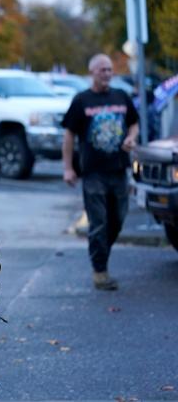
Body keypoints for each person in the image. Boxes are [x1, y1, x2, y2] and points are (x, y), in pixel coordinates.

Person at [62, 54, 139, 290]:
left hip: (119, 170)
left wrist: (131, 138)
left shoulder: (121, 96)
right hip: (93, 173)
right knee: (98, 223)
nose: (107, 74)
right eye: (103, 70)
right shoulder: (82, 100)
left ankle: (101, 257)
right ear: (92, 72)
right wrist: (67, 168)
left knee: (117, 220)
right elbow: (69, 136)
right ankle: (100, 271)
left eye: (110, 70)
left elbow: (134, 123)